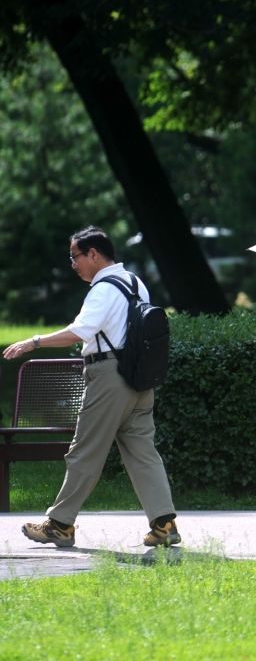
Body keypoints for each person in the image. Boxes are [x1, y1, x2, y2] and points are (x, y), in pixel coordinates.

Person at [2, 226, 180, 548]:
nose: (73, 264)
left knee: (84, 451)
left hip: (110, 377)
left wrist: (34, 342)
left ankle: (59, 524)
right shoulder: (136, 283)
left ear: (94, 254)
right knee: (143, 452)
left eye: (75, 257)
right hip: (140, 378)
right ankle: (164, 525)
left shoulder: (103, 288)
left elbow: (80, 331)